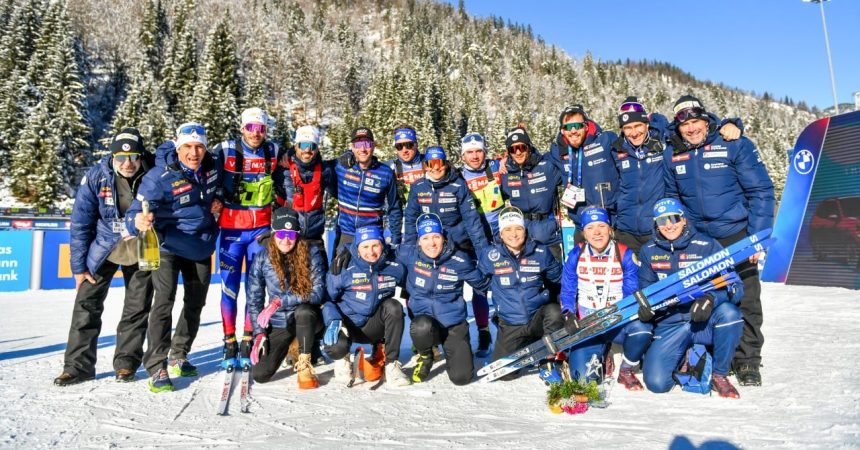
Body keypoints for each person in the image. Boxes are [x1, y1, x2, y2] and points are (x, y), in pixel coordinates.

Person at [662, 95, 775, 386]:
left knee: (746, 298)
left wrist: (756, 238)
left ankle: (747, 360)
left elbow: (761, 191)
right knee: (699, 298)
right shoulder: (672, 153)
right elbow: (672, 197)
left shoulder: (732, 143)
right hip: (699, 240)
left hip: (736, 236)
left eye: (696, 122)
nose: (691, 129)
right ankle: (706, 354)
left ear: (706, 120)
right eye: (685, 124)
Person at [54, 129, 155, 386]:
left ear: (141, 155)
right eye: (121, 157)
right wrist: (78, 268)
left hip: (142, 248)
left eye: (133, 156)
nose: (127, 163)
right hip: (104, 248)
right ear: (112, 156)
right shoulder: (96, 176)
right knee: (86, 306)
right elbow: (80, 224)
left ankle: (126, 364)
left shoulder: (154, 173)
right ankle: (78, 367)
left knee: (137, 308)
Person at [126, 122, 222, 393]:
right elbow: (136, 209)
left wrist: (221, 200)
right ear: (178, 147)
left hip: (201, 246)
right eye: (188, 147)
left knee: (195, 304)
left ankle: (179, 353)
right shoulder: (159, 176)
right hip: (167, 246)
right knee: (164, 302)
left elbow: (224, 188)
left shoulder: (213, 166)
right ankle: (157, 365)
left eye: (199, 147)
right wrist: (138, 221)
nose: (194, 153)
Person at [638, 198, 745, 398]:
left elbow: (736, 287)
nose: (669, 225)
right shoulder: (648, 251)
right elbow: (645, 290)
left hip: (703, 321)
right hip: (670, 324)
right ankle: (685, 355)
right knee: (657, 384)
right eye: (662, 221)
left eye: (674, 218)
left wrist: (712, 298)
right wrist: (646, 308)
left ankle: (719, 375)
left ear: (684, 219)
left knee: (730, 314)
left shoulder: (707, 245)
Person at [611, 97, 743, 252]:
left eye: (638, 125)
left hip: (658, 227)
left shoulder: (665, 140)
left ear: (646, 123)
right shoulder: (616, 150)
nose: (634, 133)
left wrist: (730, 124)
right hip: (626, 230)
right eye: (628, 128)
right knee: (631, 276)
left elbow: (694, 126)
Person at [402, 145, 492, 355]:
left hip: (456, 245)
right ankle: (425, 339)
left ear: (446, 164)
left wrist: (483, 252)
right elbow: (410, 219)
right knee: (418, 289)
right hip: (428, 246)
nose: (435, 168)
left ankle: (481, 330)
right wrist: (407, 249)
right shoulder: (418, 187)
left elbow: (472, 222)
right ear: (425, 166)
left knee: (468, 286)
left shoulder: (458, 186)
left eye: (439, 163)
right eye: (430, 164)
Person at [211, 107, 282, 370]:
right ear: (242, 128)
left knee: (255, 287)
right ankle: (229, 340)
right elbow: (200, 166)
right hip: (231, 231)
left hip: (260, 232)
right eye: (251, 128)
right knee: (229, 288)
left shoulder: (272, 152)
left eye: (261, 129)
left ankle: (248, 337)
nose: (256, 133)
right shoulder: (226, 150)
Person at [560, 206, 650, 390]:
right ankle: (604, 352)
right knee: (584, 382)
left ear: (610, 229)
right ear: (584, 233)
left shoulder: (624, 253)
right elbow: (568, 290)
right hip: (589, 323)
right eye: (590, 228)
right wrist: (568, 313)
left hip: (617, 319)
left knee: (643, 330)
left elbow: (631, 291)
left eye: (601, 226)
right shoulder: (576, 254)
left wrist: (628, 313)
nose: (597, 232)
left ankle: (625, 369)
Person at [397, 214, 490, 385]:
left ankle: (454, 350)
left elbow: (483, 284)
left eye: (436, 237)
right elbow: (378, 258)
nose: (431, 243)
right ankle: (426, 355)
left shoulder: (459, 259)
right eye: (425, 238)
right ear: (419, 241)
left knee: (462, 378)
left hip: (453, 323)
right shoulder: (408, 255)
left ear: (443, 238)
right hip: (425, 324)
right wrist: (349, 251)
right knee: (421, 327)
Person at [477, 207, 563, 379]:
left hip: (537, 317)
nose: (513, 234)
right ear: (500, 233)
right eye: (507, 229)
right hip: (510, 322)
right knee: (507, 375)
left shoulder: (540, 251)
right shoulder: (490, 255)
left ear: (525, 230)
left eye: (518, 228)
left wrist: (560, 302)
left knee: (554, 312)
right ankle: (530, 344)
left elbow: (559, 279)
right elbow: (480, 283)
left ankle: (548, 356)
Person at [246, 207, 325, 389]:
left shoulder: (311, 252)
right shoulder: (262, 258)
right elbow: (254, 298)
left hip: (309, 318)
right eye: (281, 233)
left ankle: (304, 361)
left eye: (291, 234)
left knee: (303, 311)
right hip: (280, 321)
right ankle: (292, 345)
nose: (286, 239)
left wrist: (280, 301)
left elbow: (318, 292)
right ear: (274, 233)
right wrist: (259, 333)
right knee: (260, 374)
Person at [322, 226, 411, 387]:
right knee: (336, 347)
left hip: (375, 327)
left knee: (394, 306)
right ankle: (342, 359)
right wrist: (333, 320)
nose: (371, 252)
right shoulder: (343, 265)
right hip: (348, 326)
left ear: (383, 245)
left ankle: (391, 364)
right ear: (357, 247)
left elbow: (411, 288)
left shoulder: (394, 266)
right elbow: (328, 299)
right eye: (365, 246)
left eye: (375, 245)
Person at [459, 132, 505, 355]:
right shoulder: (457, 176)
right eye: (470, 152)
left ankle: (507, 325)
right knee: (479, 286)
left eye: (479, 151)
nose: (475, 156)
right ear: (463, 155)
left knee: (504, 281)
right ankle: (483, 331)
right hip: (473, 238)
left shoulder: (497, 168)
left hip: (499, 234)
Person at [546, 105, 619, 240]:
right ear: (562, 131)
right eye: (568, 127)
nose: (573, 131)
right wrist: (506, 160)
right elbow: (535, 163)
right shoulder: (557, 152)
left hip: (609, 223)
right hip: (581, 226)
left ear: (586, 126)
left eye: (578, 126)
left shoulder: (605, 140)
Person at [498, 126, 565, 261]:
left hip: (548, 234)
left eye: (521, 147)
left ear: (528, 147)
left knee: (555, 279)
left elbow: (565, 153)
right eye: (513, 149)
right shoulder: (505, 173)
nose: (518, 152)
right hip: (521, 238)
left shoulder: (547, 166)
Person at [275, 125, 336, 270]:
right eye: (303, 145)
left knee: (321, 282)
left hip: (315, 238)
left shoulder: (326, 170)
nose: (307, 150)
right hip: (289, 238)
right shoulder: (282, 169)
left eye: (312, 145)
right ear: (296, 146)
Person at [333, 127, 402, 252]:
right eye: (358, 144)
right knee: (339, 270)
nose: (363, 149)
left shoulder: (385, 172)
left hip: (372, 235)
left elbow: (394, 207)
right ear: (352, 147)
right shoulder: (341, 166)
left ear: (374, 146)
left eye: (367, 144)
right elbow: (314, 167)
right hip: (346, 234)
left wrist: (396, 237)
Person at [385, 124, 425, 206]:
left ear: (416, 144)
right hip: (403, 215)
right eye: (399, 146)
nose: (404, 150)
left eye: (408, 145)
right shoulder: (391, 166)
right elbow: (367, 166)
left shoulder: (429, 162)